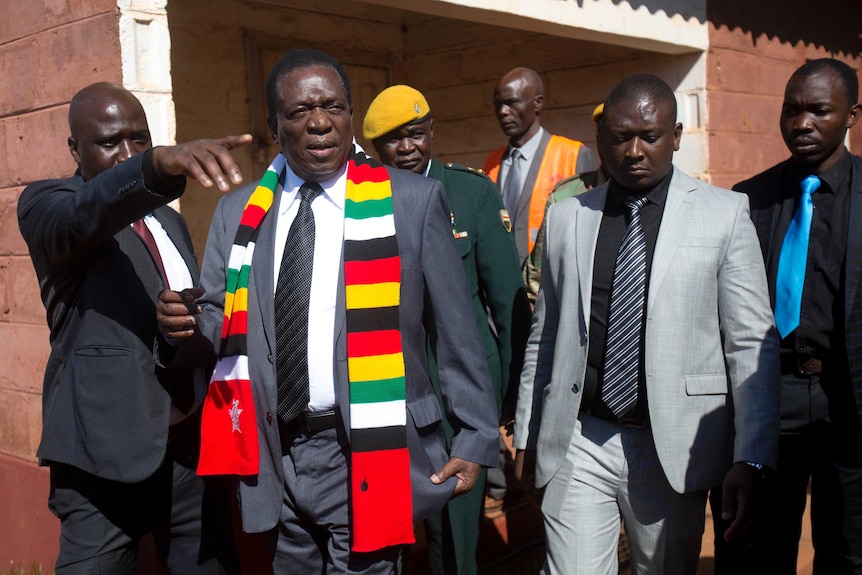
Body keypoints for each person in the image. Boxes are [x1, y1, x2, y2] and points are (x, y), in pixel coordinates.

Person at [155, 49, 499, 573]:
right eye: (299, 112)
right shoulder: (239, 214)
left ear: (350, 116)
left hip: (369, 448)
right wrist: (180, 327)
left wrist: (475, 435)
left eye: (333, 107)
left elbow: (456, 331)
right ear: (274, 126)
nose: (319, 122)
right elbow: (217, 324)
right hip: (275, 451)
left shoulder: (410, 201)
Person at [512, 73, 780, 574]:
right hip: (578, 437)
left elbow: (750, 345)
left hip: (670, 446)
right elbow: (544, 336)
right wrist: (527, 432)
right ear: (601, 140)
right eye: (620, 138)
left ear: (675, 136)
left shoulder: (724, 214)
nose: (634, 151)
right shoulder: (569, 216)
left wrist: (753, 454)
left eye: (650, 137)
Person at [16, 82, 251, 573]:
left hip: (186, 455)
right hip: (101, 461)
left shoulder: (168, 221)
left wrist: (182, 324)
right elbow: (85, 214)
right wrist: (155, 165)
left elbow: (189, 319)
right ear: (74, 148)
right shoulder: (47, 205)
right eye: (109, 142)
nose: (127, 153)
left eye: (139, 139)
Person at [362, 84, 531, 575]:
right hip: (387, 390)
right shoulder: (361, 199)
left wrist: (511, 403)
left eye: (416, 135)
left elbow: (507, 304)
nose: (407, 148)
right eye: (393, 141)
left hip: (459, 396)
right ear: (376, 149)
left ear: (431, 131)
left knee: (457, 539)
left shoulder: (470, 192)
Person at [714, 57, 862, 575]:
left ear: (851, 116)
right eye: (791, 110)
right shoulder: (745, 201)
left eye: (819, 110)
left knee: (849, 553)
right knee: (754, 550)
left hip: (849, 401)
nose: (802, 123)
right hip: (766, 397)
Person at [482, 67, 597, 268]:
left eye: (512, 103)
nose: (502, 112)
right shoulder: (491, 163)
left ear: (538, 103)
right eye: (498, 104)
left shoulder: (574, 154)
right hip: (500, 280)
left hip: (549, 278)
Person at [524, 102, 608, 303]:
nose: (631, 149)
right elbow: (536, 282)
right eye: (613, 135)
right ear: (598, 139)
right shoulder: (566, 196)